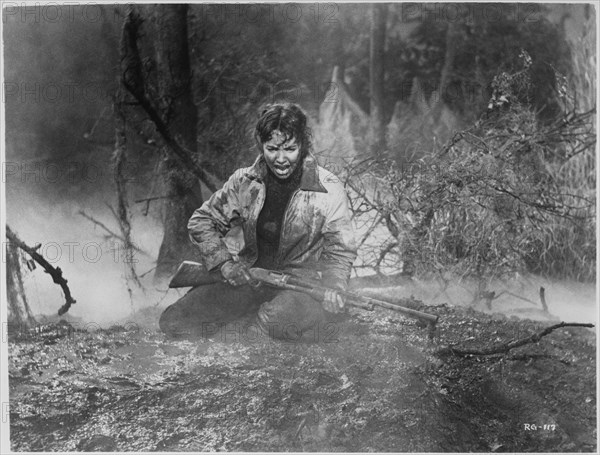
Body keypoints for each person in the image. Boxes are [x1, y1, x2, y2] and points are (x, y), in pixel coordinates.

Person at [159, 103, 357, 342]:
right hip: (251, 279)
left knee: (271, 323)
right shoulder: (245, 181)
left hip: (303, 288)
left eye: (290, 149)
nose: (281, 159)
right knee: (174, 320)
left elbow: (340, 249)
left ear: (303, 144)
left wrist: (334, 287)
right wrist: (225, 264)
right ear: (260, 144)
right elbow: (202, 221)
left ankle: (306, 321)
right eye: (272, 149)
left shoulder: (328, 187)